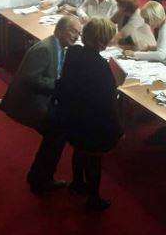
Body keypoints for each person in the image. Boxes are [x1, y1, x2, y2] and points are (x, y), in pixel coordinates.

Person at [0, 16, 82, 194]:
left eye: (79, 33)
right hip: (29, 103)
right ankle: (41, 179)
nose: (77, 36)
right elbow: (31, 79)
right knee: (57, 132)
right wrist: (60, 86)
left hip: (42, 99)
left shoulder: (59, 47)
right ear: (59, 30)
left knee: (58, 132)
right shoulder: (45, 49)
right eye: (73, 31)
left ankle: (39, 176)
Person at [53, 18, 123, 211]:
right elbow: (107, 100)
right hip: (92, 121)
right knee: (94, 158)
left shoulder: (73, 52)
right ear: (102, 41)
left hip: (72, 115)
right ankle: (93, 198)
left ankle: (77, 183)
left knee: (79, 149)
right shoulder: (100, 66)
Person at [123, 1, 166, 71]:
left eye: (147, 19)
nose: (146, 22)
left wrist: (134, 54)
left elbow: (160, 55)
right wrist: (150, 48)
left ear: (153, 17)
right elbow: (165, 47)